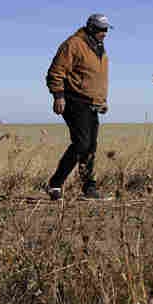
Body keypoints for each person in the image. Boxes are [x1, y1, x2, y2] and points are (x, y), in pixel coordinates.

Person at [45, 13, 112, 200]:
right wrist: (58, 95)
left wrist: (101, 100)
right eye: (100, 29)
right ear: (90, 27)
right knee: (82, 143)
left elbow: (96, 78)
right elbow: (55, 72)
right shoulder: (73, 44)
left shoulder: (99, 48)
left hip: (92, 103)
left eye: (106, 29)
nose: (104, 33)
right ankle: (55, 184)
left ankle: (88, 189)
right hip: (74, 100)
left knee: (90, 146)